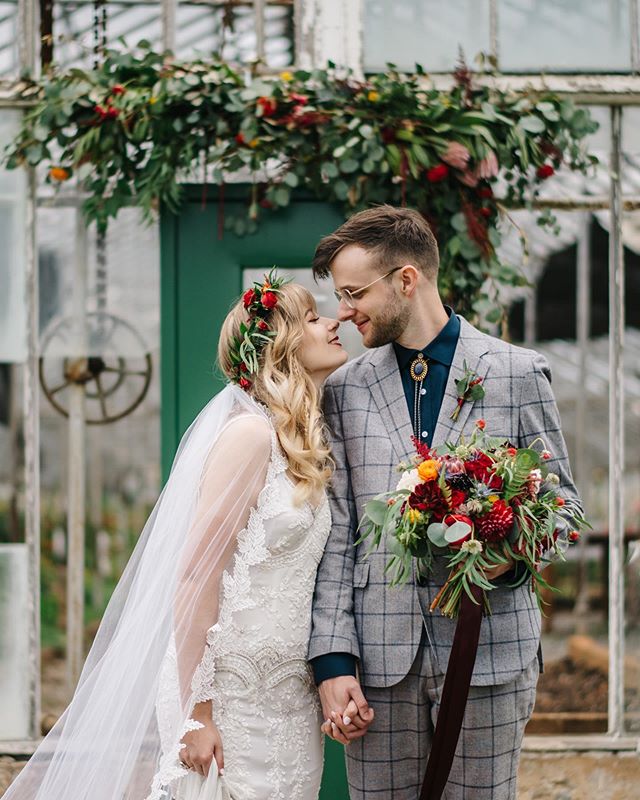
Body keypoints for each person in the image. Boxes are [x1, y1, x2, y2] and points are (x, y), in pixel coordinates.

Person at [5, 276, 348, 800]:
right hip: (228, 693)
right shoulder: (249, 437)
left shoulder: (298, 441)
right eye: (311, 317)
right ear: (279, 345)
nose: (333, 322)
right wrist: (196, 713)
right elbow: (194, 577)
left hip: (287, 694)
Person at [308, 205, 582, 799]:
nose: (344, 311)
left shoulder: (516, 373)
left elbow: (565, 510)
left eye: (354, 292)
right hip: (379, 666)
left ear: (406, 280)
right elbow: (334, 534)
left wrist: (509, 554)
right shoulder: (344, 390)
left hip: (489, 656)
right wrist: (332, 661)